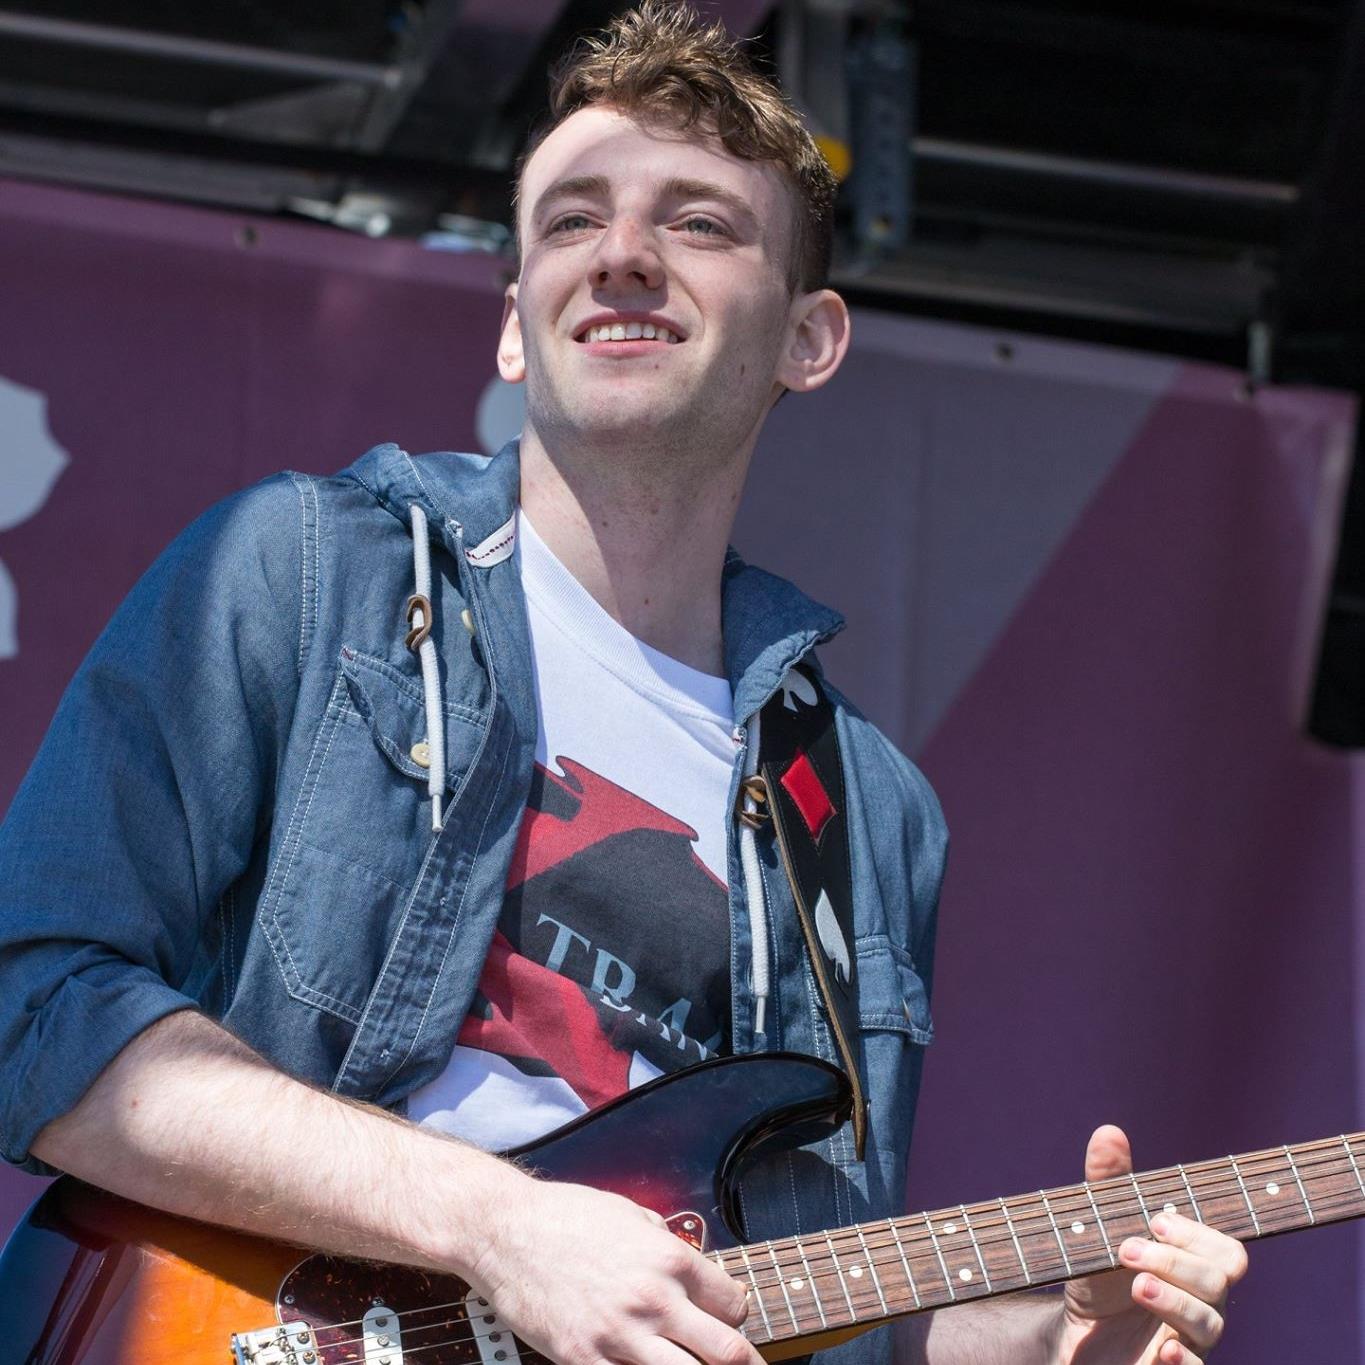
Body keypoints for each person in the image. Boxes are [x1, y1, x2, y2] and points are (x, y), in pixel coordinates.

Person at [0, 4, 1246, 1363]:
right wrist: (497, 1222)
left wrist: (1057, 1335)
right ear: (514, 326)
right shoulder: (304, 569)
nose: (624, 256)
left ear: (809, 339)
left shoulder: (868, 809)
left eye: (699, 223)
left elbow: (789, 1305)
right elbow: (34, 1004)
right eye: (573, 220)